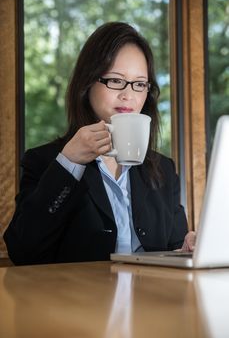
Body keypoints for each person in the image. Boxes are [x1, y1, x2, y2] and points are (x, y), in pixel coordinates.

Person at [4, 22, 195, 265]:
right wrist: (70, 163)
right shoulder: (48, 162)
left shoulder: (163, 170)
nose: (129, 95)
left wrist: (185, 248)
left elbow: (172, 249)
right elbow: (23, 251)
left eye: (139, 84)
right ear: (88, 83)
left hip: (148, 300)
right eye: (116, 80)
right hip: (79, 300)